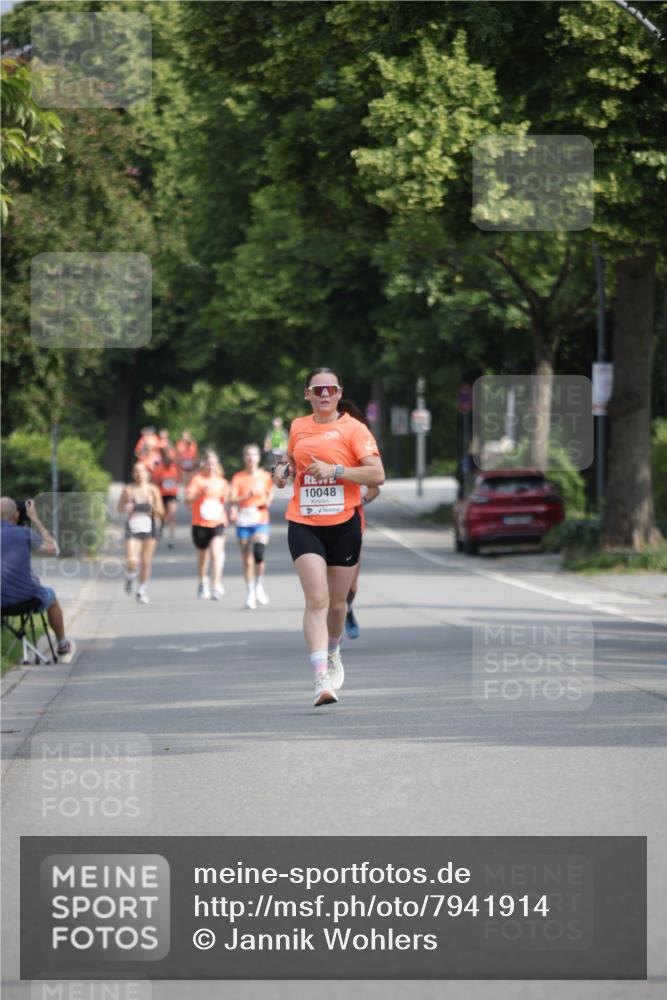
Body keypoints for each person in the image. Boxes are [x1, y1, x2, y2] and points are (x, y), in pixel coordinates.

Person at [273, 367, 384, 706]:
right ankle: (321, 678)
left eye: (330, 389)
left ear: (339, 393)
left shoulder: (354, 429)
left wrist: (336, 471)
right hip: (304, 522)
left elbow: (377, 475)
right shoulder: (298, 426)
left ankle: (334, 650)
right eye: (318, 390)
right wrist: (281, 470)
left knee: (338, 603)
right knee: (316, 600)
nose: (324, 395)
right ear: (307, 393)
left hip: (344, 523)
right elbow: (290, 461)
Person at [1, 496, 76, 661]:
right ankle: (63, 646)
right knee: (52, 597)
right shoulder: (24, 532)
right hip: (27, 599)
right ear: (17, 515)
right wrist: (35, 518)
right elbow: (53, 550)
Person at [229, 444, 274, 609]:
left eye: (253, 454)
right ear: (244, 458)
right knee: (247, 558)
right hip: (244, 520)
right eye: (247, 455)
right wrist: (244, 497)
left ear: (258, 458)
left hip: (260, 518)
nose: (250, 458)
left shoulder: (265, 476)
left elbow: (270, 493)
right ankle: (250, 593)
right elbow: (232, 499)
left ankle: (259, 585)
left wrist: (268, 500)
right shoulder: (238, 478)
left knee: (259, 553)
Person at [117, 462, 164, 604]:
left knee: (145, 562)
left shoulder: (153, 490)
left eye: (142, 471)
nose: (139, 474)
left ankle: (141, 591)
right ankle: (130, 577)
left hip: (149, 528)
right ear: (133, 474)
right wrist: (127, 507)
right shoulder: (128, 490)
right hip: (133, 528)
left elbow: (161, 512)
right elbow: (119, 508)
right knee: (132, 560)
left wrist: (152, 509)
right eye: (136, 471)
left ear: (147, 474)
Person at [185, 451, 229, 600]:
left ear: (217, 464)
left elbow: (226, 500)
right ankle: (202, 581)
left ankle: (216, 585)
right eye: (208, 463)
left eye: (213, 463)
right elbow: (188, 501)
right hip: (200, 523)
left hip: (218, 522)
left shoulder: (222, 482)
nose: (211, 466)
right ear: (204, 464)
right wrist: (200, 494)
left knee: (216, 554)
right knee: (203, 556)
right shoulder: (197, 480)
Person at [345, 484, 381, 639]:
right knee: (325, 587)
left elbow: (375, 488)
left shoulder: (353, 460)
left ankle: (346, 610)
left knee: (351, 587)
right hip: (319, 527)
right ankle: (331, 633)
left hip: (351, 528)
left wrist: (360, 501)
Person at [151, 448, 181, 548]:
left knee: (172, 515)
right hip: (161, 494)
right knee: (161, 515)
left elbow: (179, 479)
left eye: (171, 460)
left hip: (172, 495)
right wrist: (160, 480)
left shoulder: (175, 468)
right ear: (164, 460)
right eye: (167, 460)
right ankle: (160, 530)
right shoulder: (158, 469)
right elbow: (154, 482)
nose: (169, 462)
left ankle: (171, 538)